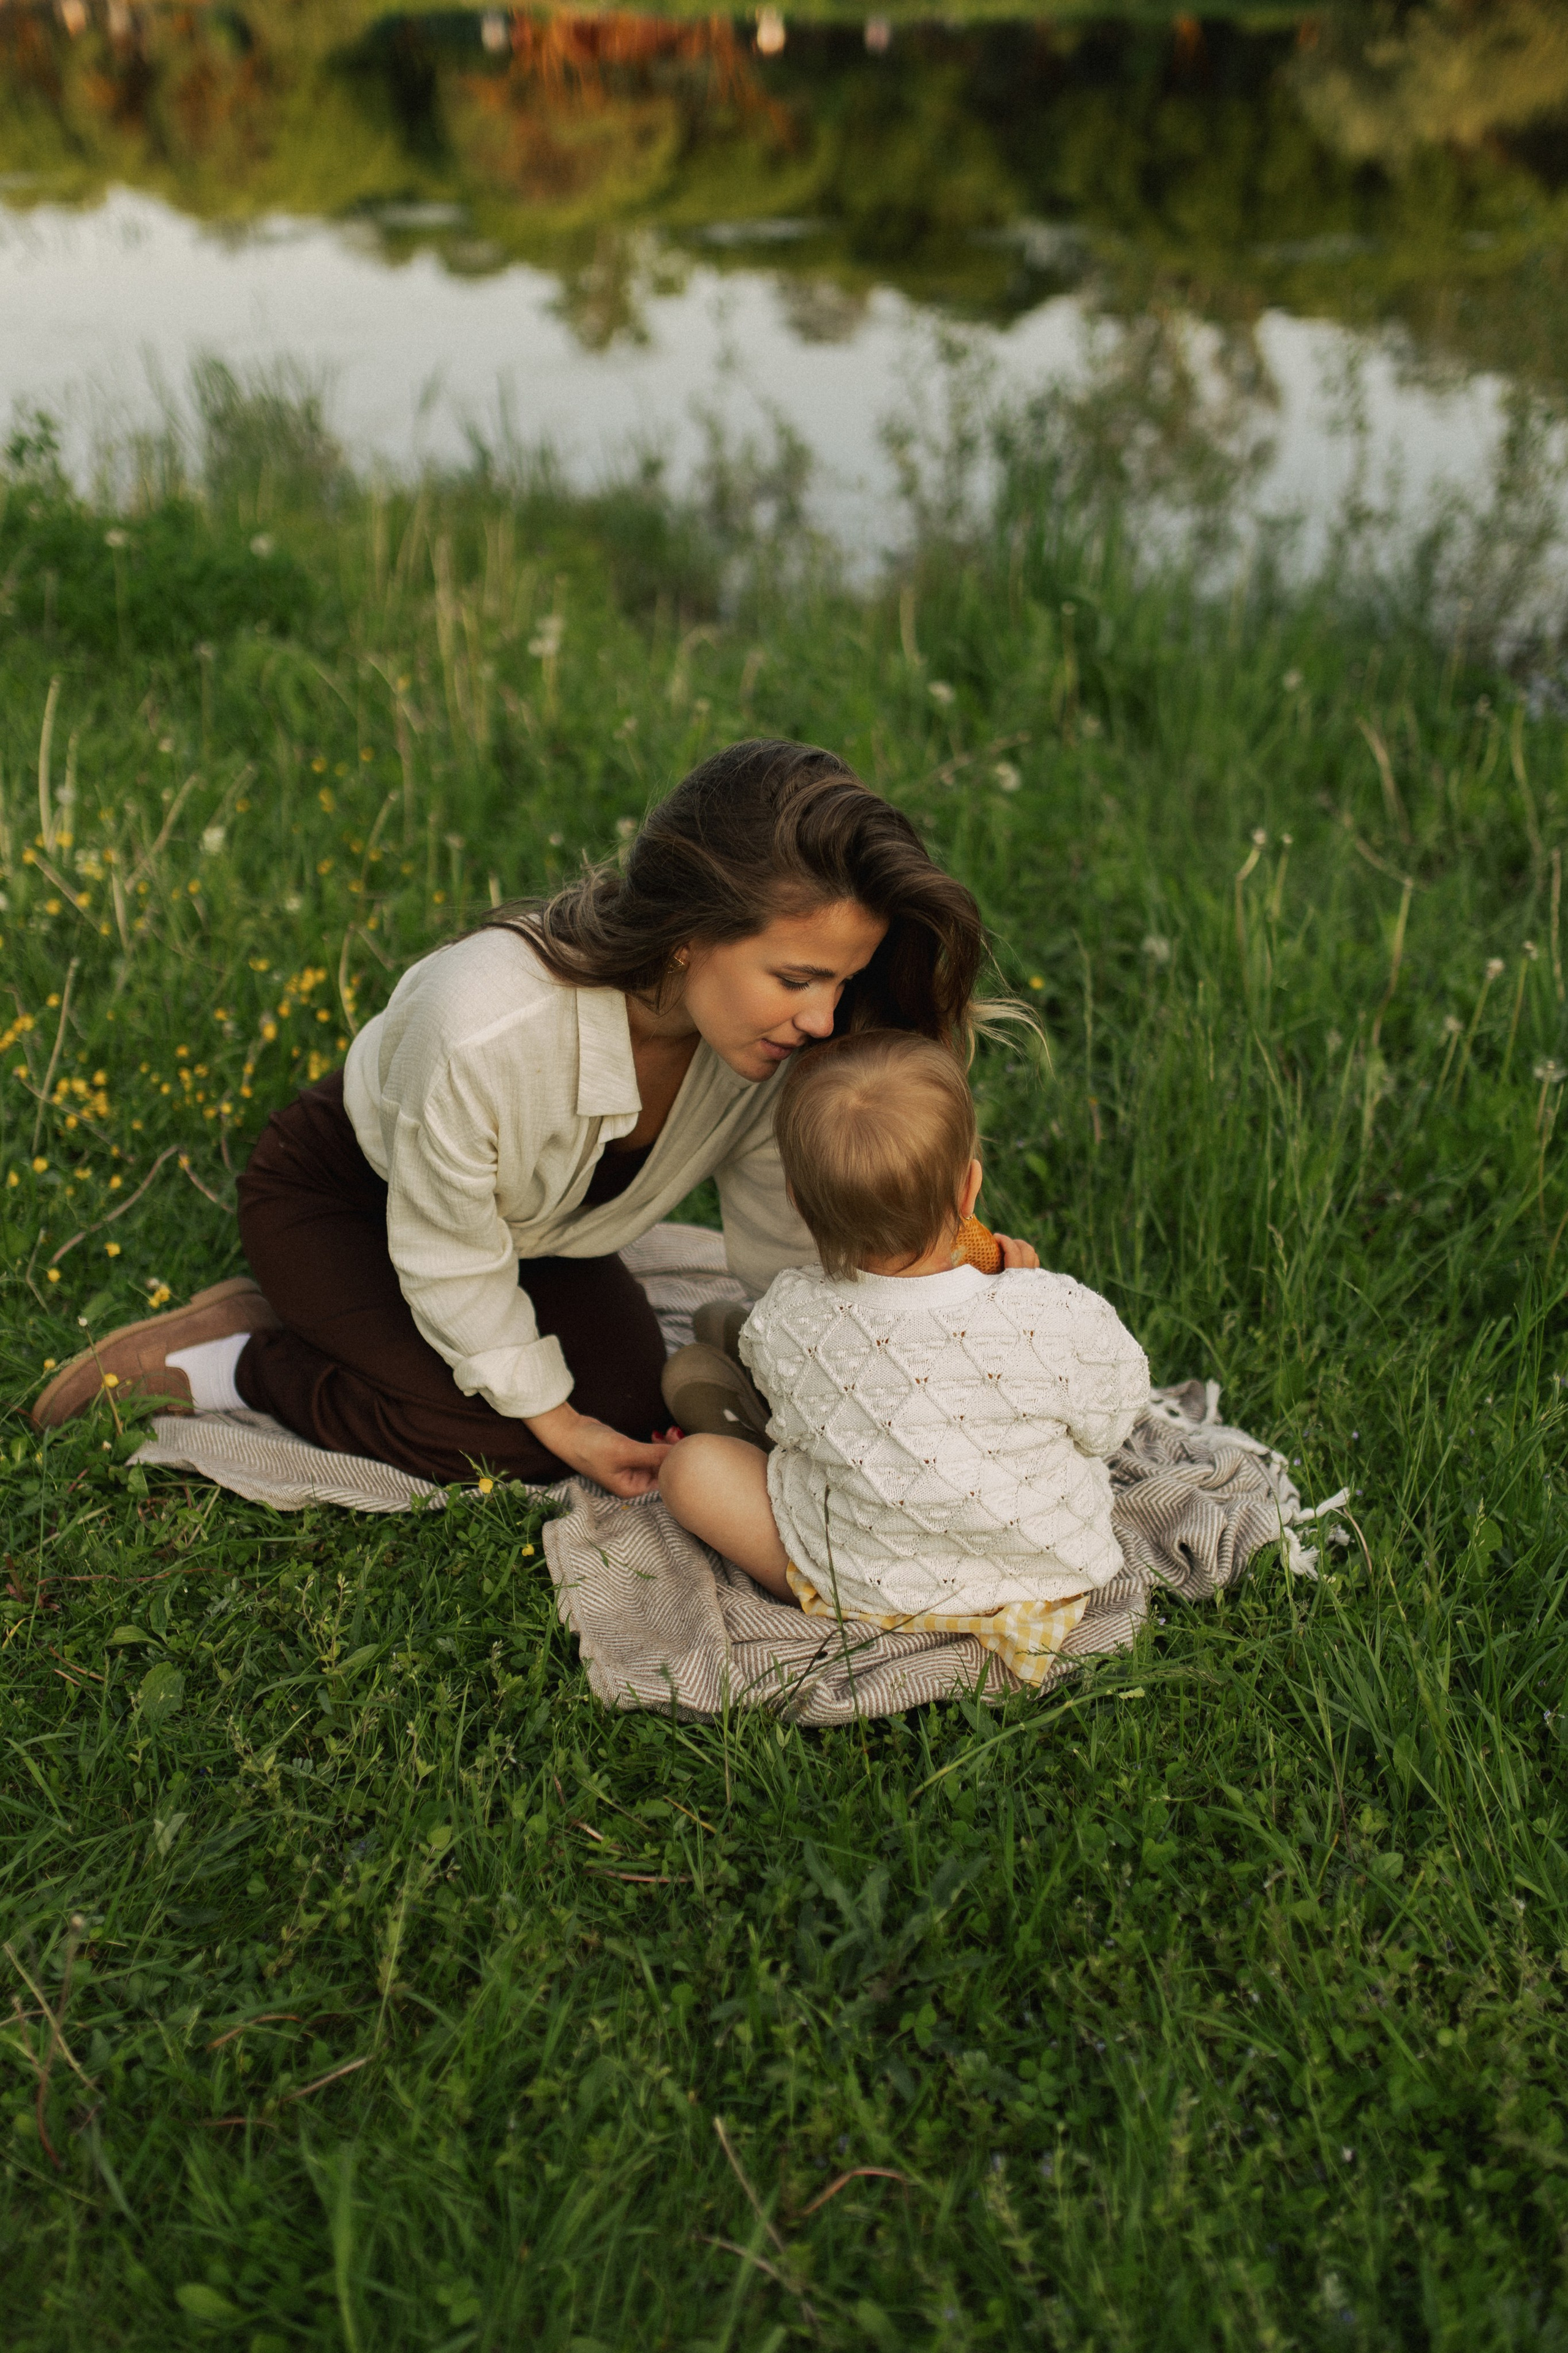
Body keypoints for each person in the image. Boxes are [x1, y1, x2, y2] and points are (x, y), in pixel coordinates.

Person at [33, 741, 989, 1494]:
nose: (823, 1018)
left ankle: (354, 1338)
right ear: (691, 935)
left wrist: (905, 1318)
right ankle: (246, 1360)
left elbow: (785, 1236)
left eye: (843, 983)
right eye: (796, 978)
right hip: (349, 1200)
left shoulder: (772, 1048)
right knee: (509, 1438)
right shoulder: (484, 1025)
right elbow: (449, 1253)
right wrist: (554, 1423)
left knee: (623, 1401)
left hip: (536, 1236)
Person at [657, 1030, 1150, 1682]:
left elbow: (798, 1433)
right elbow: (1114, 1419)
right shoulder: (1054, 1309)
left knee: (692, 1470)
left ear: (801, 1205)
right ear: (970, 1188)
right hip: (1044, 1575)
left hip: (865, 1584)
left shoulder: (788, 1313)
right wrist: (1023, 1285)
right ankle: (738, 1391)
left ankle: (732, 1407)